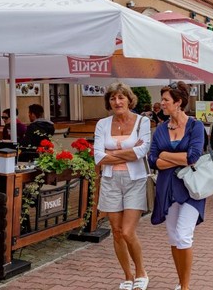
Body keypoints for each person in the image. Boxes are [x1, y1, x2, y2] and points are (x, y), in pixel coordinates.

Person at [148, 81, 206, 290]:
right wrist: (174, 158)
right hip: (166, 188)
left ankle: (186, 287)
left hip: (191, 188)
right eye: (162, 99)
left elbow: (193, 157)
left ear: (178, 102)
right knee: (173, 237)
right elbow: (152, 160)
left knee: (183, 234)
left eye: (166, 100)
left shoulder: (195, 126)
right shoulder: (161, 129)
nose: (162, 103)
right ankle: (181, 282)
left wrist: (165, 155)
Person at [94, 82, 151, 290]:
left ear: (129, 99)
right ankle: (128, 276)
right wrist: (129, 153)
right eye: (113, 98)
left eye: (121, 97)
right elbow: (98, 157)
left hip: (135, 181)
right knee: (116, 231)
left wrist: (112, 153)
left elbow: (143, 150)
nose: (117, 102)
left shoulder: (142, 121)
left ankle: (141, 272)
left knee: (127, 231)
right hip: (110, 181)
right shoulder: (102, 124)